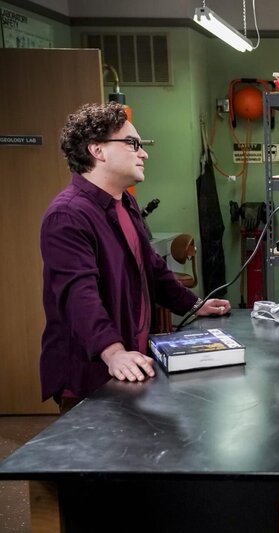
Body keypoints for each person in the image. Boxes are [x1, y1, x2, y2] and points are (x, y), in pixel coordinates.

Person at [40, 102, 231, 411]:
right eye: (132, 144)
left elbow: (152, 267)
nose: (144, 154)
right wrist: (112, 352)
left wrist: (194, 305)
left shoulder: (124, 203)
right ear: (98, 150)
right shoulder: (68, 215)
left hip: (130, 362)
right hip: (91, 374)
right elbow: (78, 296)